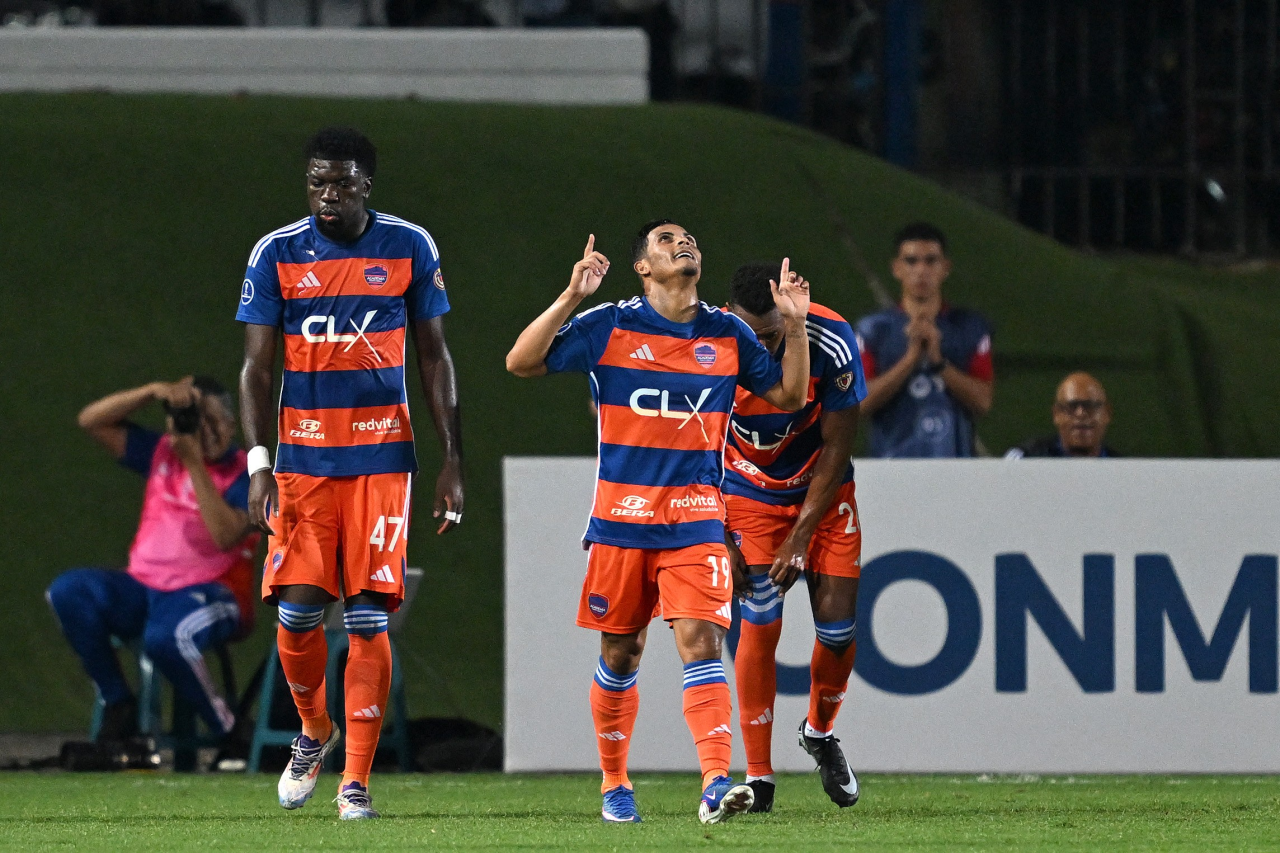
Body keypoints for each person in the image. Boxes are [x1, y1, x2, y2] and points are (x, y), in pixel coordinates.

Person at [505, 222, 812, 824]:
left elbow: (790, 397)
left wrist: (796, 326)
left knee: (703, 641)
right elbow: (520, 362)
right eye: (668, 239)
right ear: (642, 267)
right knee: (621, 653)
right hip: (620, 521)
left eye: (692, 238)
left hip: (697, 518)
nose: (685, 243)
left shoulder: (728, 333)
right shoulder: (611, 325)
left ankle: (715, 784)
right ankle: (614, 785)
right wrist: (572, 297)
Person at [236, 127, 464, 820]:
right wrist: (258, 462)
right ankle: (314, 730)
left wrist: (452, 455)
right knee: (300, 610)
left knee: (367, 614)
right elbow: (255, 366)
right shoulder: (276, 253)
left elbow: (434, 357)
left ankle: (355, 781)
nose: (327, 195)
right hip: (303, 460)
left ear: (367, 183)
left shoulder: (409, 246)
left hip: (380, 458)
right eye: (316, 183)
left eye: (339, 182)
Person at [722, 263, 867, 812]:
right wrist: (720, 531)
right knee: (760, 615)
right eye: (749, 334)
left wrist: (802, 534)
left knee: (838, 631)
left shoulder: (830, 338)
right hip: (748, 495)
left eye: (771, 335)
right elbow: (692, 443)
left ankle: (820, 733)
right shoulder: (712, 343)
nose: (758, 346)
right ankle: (759, 778)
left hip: (819, 493)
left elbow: (838, 443)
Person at [47, 377, 258, 749]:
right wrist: (151, 392)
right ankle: (118, 702)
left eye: (216, 421)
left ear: (232, 423)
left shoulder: (246, 474)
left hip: (215, 592)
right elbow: (91, 421)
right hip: (144, 586)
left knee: (168, 638)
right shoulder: (161, 452)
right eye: (196, 421)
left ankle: (228, 728)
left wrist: (194, 463)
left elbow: (226, 535)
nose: (207, 431)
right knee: (68, 592)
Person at [854, 222, 994, 457]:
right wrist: (910, 359)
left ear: (945, 267)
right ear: (896, 268)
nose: (921, 270)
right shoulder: (872, 330)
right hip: (891, 466)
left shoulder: (971, 327)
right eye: (911, 261)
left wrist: (938, 362)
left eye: (930, 261)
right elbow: (860, 403)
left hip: (956, 465)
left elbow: (983, 401)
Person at [1005, 372, 1119, 458]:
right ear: (1056, 414)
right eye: (1071, 406)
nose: (1080, 414)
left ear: (1107, 413)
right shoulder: (1025, 458)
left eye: (1090, 406)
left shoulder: (1124, 469)